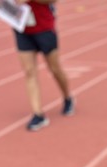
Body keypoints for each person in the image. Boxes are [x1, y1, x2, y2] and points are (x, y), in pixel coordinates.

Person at [13, 0, 74, 131]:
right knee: (29, 71)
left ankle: (67, 97)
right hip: (21, 28)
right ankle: (38, 114)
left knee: (55, 69)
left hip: (44, 28)